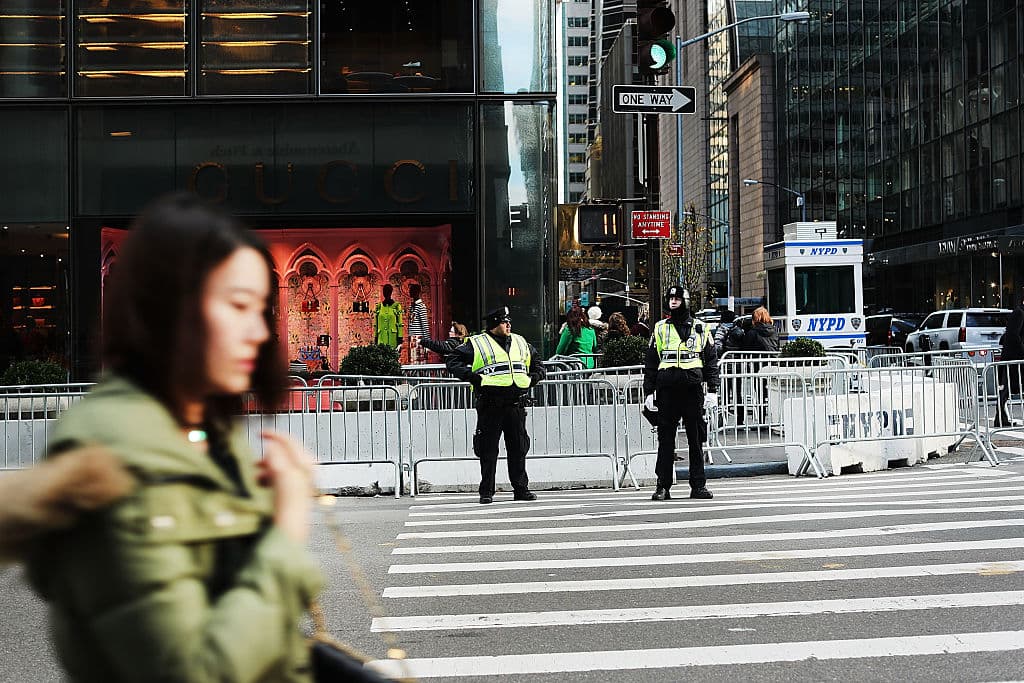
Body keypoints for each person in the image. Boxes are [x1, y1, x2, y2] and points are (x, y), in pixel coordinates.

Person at [22, 194, 323, 681]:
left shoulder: (206, 432)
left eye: (262, 309)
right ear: (169, 309)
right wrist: (287, 528)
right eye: (238, 305)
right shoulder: (116, 451)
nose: (259, 332)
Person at [446, 306, 546, 504]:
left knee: (518, 449)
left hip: (515, 404)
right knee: (488, 450)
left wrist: (534, 377)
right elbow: (452, 361)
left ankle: (520, 489)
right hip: (490, 404)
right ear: (494, 325)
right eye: (504, 321)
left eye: (509, 321)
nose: (508, 324)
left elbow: (537, 362)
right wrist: (474, 378)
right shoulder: (477, 343)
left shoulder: (520, 341)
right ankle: (486, 492)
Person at [643, 285, 718, 501]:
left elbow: (711, 361)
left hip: (691, 389)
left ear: (685, 301)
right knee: (665, 439)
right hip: (667, 389)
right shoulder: (660, 328)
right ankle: (662, 486)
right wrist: (649, 392)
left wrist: (713, 390)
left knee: (696, 439)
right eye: (670, 298)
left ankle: (698, 485)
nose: (673, 302)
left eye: (677, 298)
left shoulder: (701, 328)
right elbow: (651, 362)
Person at [996, 287, 1024, 427]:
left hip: (1015, 358)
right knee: (1006, 389)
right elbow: (1013, 335)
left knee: (1008, 389)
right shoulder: (1019, 313)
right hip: (1013, 358)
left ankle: (1000, 418)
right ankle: (1000, 418)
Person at [373, 283, 403, 347]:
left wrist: (400, 338)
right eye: (385, 291)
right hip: (381, 338)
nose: (386, 292)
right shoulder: (378, 307)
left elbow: (400, 323)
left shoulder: (397, 306)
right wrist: (375, 337)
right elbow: (376, 324)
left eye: (388, 291)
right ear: (383, 292)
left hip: (393, 339)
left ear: (391, 292)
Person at [407, 282, 430, 364]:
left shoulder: (421, 306)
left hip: (419, 339)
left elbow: (425, 324)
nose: (409, 292)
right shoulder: (411, 307)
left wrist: (427, 342)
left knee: (419, 362)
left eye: (411, 290)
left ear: (416, 292)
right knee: (412, 362)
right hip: (412, 338)